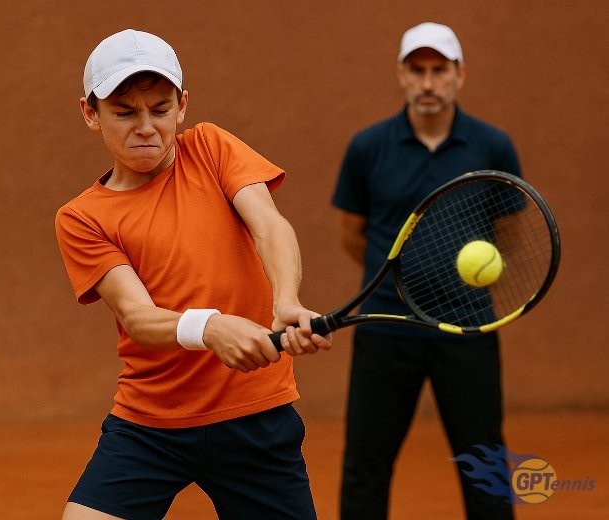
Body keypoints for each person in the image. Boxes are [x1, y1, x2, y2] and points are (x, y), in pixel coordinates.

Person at [55, 29, 331, 520]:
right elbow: (138, 317)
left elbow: (267, 223)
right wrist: (210, 327)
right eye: (124, 112)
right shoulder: (82, 218)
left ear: (182, 106)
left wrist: (286, 299)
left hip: (255, 415)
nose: (146, 127)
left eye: (160, 110)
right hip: (152, 422)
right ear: (90, 113)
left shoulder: (211, 147)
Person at [332, 22, 520, 519]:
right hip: (386, 329)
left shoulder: (493, 147)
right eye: (418, 70)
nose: (429, 82)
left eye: (440, 70)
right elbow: (353, 233)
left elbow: (512, 233)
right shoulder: (367, 147)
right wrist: (401, 283)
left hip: (468, 328)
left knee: (486, 468)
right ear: (402, 74)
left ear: (460, 75)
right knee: (365, 465)